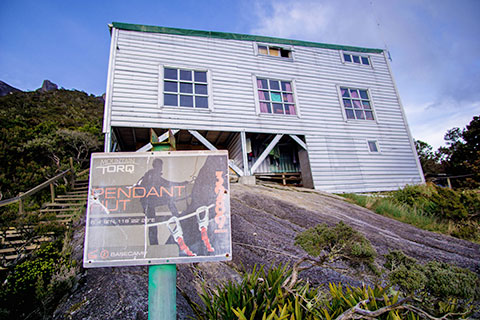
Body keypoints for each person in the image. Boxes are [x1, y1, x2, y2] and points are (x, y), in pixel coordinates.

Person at [138, 158, 188, 245]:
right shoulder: (152, 174)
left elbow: (164, 183)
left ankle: (154, 244)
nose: (160, 168)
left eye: (161, 166)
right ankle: (177, 217)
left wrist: (181, 184)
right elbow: (166, 183)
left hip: (148, 201)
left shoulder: (151, 174)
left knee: (152, 223)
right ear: (156, 166)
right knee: (168, 199)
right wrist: (181, 184)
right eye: (159, 166)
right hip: (148, 201)